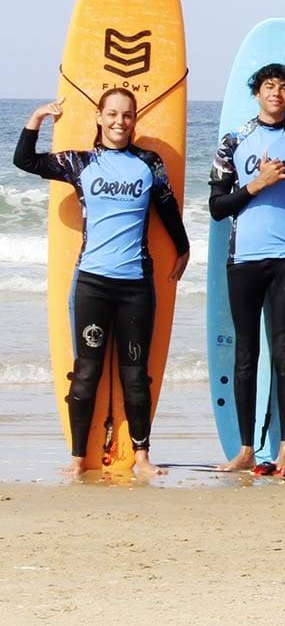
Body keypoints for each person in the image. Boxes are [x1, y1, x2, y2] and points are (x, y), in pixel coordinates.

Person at [14, 91, 190, 478]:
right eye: (112, 114)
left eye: (127, 115)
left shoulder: (149, 164)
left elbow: (166, 208)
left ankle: (142, 457)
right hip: (92, 283)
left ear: (134, 119)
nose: (119, 122)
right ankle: (78, 458)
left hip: (136, 286)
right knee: (87, 372)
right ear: (99, 116)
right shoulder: (80, 163)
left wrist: (183, 248)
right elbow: (24, 160)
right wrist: (37, 118)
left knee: (134, 374)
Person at [209, 63, 285, 477]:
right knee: (246, 354)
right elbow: (217, 207)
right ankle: (245, 449)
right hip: (242, 260)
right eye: (268, 86)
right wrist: (257, 184)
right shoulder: (234, 141)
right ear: (256, 93)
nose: (276, 93)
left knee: (283, 353)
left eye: (283, 88)